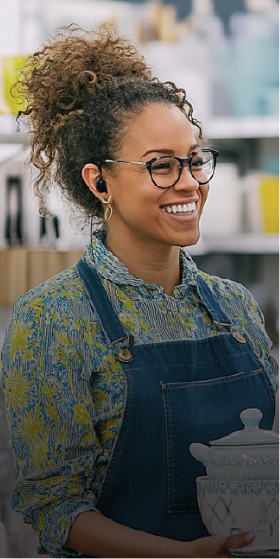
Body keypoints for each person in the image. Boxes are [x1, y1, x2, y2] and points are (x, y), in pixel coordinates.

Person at [1, 24, 278, 559]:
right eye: (161, 166)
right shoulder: (52, 318)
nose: (190, 182)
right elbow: (53, 508)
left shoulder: (234, 305)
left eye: (195, 160)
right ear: (98, 182)